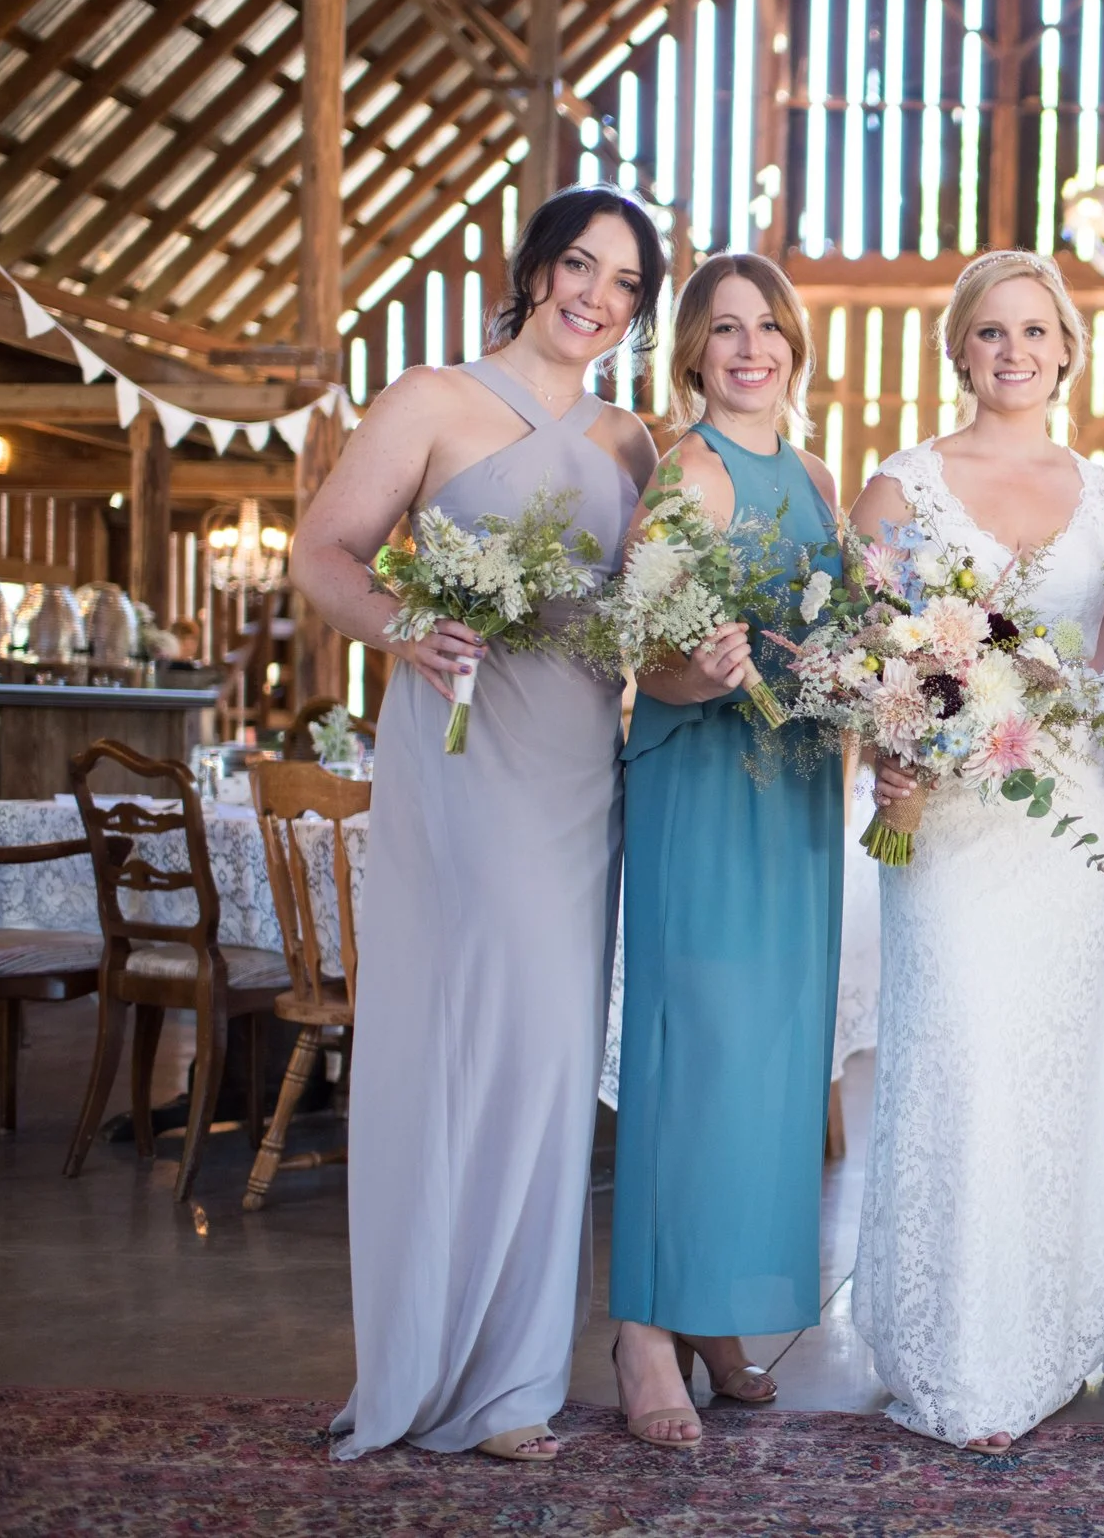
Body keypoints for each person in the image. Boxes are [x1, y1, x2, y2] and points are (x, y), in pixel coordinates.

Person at [293, 186, 663, 1463]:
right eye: (581, 266)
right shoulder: (431, 400)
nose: (597, 297)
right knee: (457, 1041)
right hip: (459, 752)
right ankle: (428, 1356)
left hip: (578, 770)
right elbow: (324, 553)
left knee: (552, 1058)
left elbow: (653, 611)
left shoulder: (632, 443)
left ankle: (513, 1378)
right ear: (534, 268)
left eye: (625, 283)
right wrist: (405, 626)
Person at [849, 249, 1104, 1454]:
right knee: (967, 1052)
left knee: (1061, 1069)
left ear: (1067, 349)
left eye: (1035, 330)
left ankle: (1053, 1326)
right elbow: (867, 659)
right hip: (949, 820)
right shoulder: (899, 490)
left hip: (1072, 815)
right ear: (959, 349)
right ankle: (966, 1351)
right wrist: (890, 754)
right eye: (991, 331)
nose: (1014, 351)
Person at [606, 253, 845, 1448]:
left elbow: (836, 637)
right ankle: (643, 1331)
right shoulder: (685, 473)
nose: (750, 349)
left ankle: (711, 1310)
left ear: (794, 345)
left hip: (796, 790)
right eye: (725, 328)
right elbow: (638, 656)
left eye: (769, 327)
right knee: (690, 1053)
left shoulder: (816, 477)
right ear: (693, 350)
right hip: (701, 789)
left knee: (766, 1064)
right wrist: (696, 672)